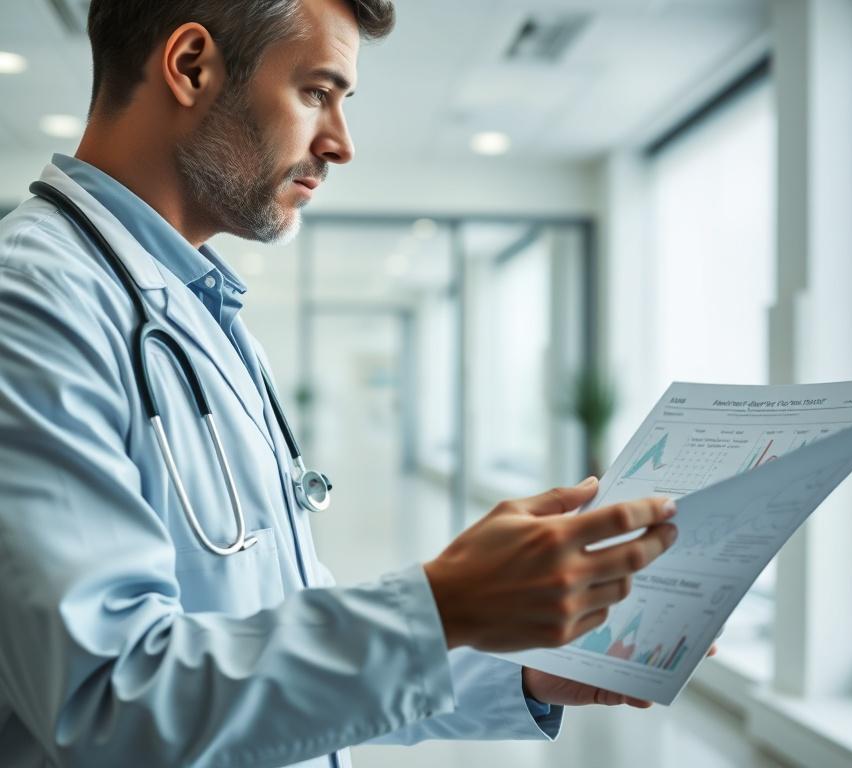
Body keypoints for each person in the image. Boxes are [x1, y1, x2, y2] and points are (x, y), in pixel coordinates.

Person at [0, 1, 707, 766]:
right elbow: (107, 705)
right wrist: (442, 607)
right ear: (192, 66)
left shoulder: (204, 313)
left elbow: (275, 639)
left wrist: (519, 668)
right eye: (316, 92)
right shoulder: (33, 301)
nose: (340, 142)